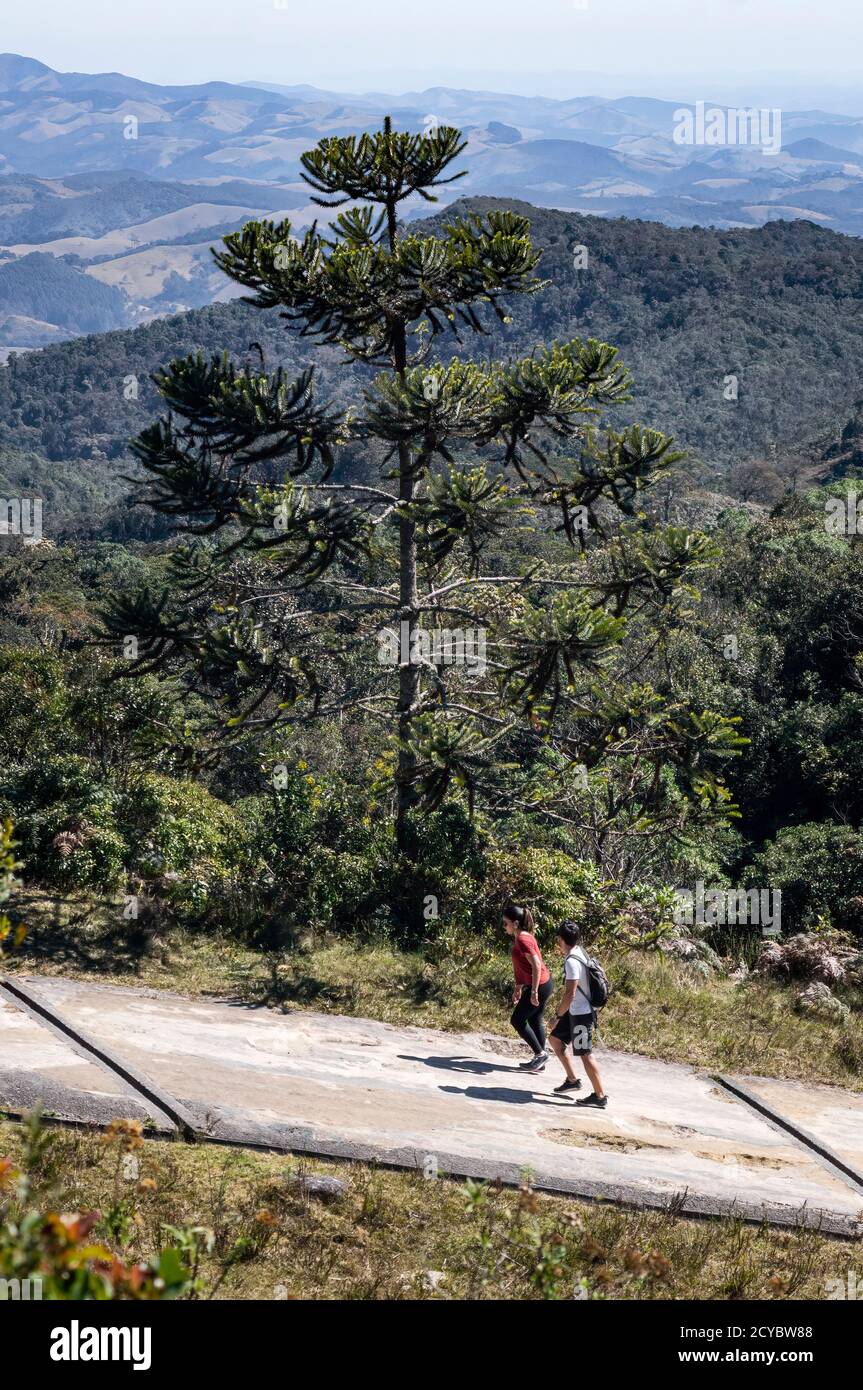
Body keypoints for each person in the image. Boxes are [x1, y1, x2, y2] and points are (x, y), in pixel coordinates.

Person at [548, 920, 608, 1108]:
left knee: (585, 1054)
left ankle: (600, 1097)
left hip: (581, 1015)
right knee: (555, 1040)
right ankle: (572, 1080)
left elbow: (570, 993)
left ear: (560, 939)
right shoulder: (579, 951)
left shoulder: (572, 962)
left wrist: (557, 1016)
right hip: (574, 1011)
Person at [502, 903, 553, 1074]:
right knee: (535, 1019)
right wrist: (518, 987)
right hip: (542, 983)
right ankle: (541, 1060)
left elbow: (536, 965)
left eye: (506, 923)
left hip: (540, 985)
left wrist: (534, 991)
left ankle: (540, 1054)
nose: (504, 927)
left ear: (515, 923)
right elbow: (521, 966)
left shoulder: (523, 938)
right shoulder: (522, 937)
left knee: (517, 1020)